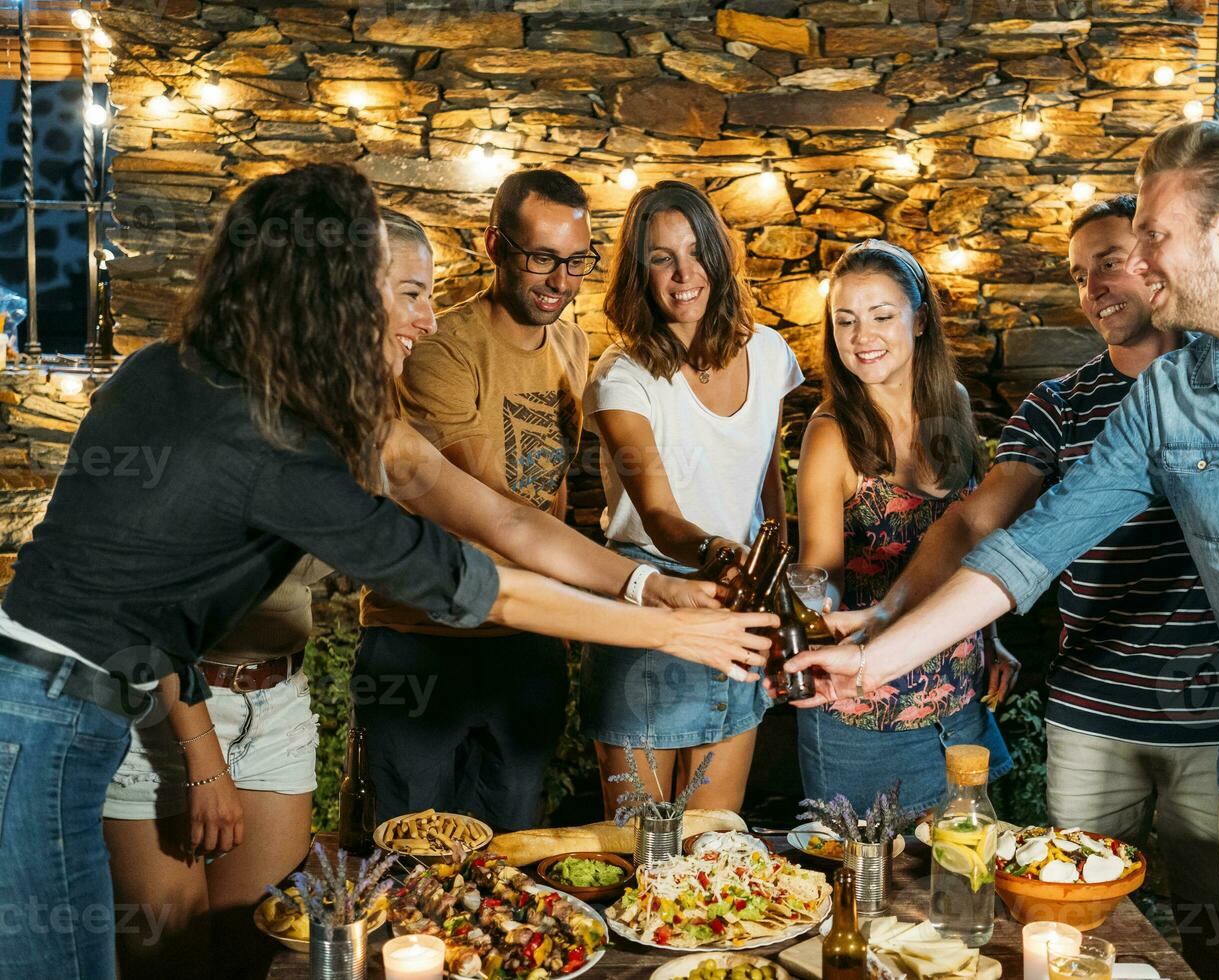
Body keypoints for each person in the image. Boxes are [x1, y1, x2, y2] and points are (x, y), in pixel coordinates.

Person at [0, 163, 773, 980]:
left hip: (71, 698)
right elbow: (481, 583)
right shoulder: (270, 443)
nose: (428, 318)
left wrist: (649, 587)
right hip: (43, 711)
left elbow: (500, 516)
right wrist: (676, 632)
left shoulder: (205, 372)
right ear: (334, 293)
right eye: (408, 294)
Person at [791, 120, 1219, 979]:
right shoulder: (1165, 403)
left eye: (1152, 233)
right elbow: (1027, 550)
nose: (1134, 260)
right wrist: (874, 655)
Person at [820, 204, 1219, 977]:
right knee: (1062, 921)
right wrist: (884, 618)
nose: (1094, 287)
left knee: (1217, 929)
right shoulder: (1057, 403)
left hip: (1213, 711)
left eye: (1106, 261)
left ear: (1153, 259)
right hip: (1092, 712)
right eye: (1078, 275)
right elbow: (976, 524)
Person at [358, 171, 605, 831]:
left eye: (576, 260)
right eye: (541, 258)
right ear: (496, 245)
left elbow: (548, 493)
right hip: (425, 642)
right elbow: (492, 510)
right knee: (411, 856)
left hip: (525, 643)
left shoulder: (574, 346)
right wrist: (638, 597)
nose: (561, 279)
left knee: (512, 854)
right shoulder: (439, 346)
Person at [583, 180, 805, 815]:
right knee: (640, 846)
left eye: (695, 251)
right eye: (660, 257)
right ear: (638, 272)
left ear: (718, 256)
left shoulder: (768, 352)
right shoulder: (622, 375)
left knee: (714, 841)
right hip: (647, 601)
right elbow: (657, 513)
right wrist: (720, 551)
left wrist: (774, 556)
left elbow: (765, 468)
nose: (684, 274)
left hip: (739, 599)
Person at [793, 239, 1014, 811]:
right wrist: (813, 610)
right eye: (845, 321)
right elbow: (820, 569)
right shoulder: (830, 434)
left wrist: (991, 635)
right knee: (873, 887)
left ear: (919, 322)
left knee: (966, 876)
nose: (862, 336)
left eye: (881, 316)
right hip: (865, 713)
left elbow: (974, 532)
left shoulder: (955, 405)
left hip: (960, 694)